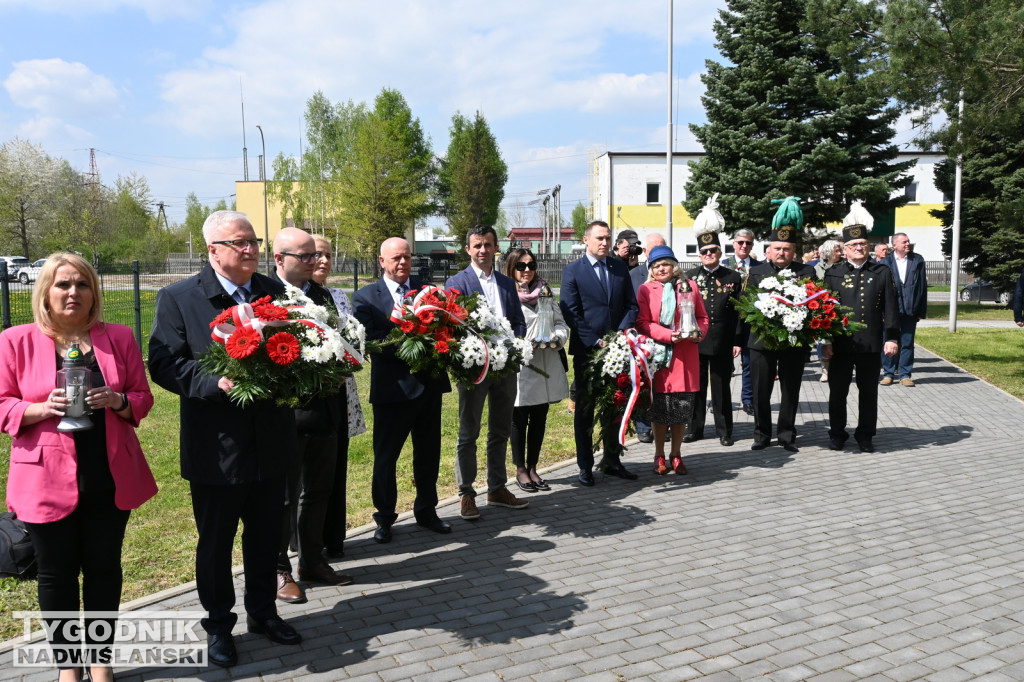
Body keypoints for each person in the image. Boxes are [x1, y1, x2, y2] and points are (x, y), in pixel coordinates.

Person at [149, 210, 301, 668]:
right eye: (240, 243)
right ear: (213, 250)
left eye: (254, 241)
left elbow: (296, 346)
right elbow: (163, 362)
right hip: (218, 446)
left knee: (265, 536)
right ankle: (219, 626)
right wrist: (215, 383)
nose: (251, 249)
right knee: (215, 543)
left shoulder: (274, 292)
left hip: (270, 440)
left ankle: (263, 612)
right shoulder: (179, 299)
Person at [1, 254, 157, 682]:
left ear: (94, 293)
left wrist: (118, 401)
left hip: (107, 474)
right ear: (45, 293)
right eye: (63, 285)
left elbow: (142, 397)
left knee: (105, 570)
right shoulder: (15, 340)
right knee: (56, 575)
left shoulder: (119, 337)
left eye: (82, 285)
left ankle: (100, 661)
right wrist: (36, 408)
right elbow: (1, 404)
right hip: (44, 477)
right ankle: (69, 668)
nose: (73, 293)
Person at [269, 228, 352, 604]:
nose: (312, 262)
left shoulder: (324, 296)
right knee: (284, 496)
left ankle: (312, 559)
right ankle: (278, 570)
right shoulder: (265, 296)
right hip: (285, 412)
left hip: (326, 407)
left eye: (313, 255)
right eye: (303, 256)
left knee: (318, 490)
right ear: (279, 259)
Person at [352, 237, 452, 542]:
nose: (402, 263)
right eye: (395, 258)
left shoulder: (428, 292)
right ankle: (384, 517)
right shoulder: (366, 298)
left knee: (428, 454)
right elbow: (378, 342)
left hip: (428, 388)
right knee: (385, 459)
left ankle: (427, 511)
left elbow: (446, 328)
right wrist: (418, 345)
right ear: (381, 261)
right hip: (392, 391)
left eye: (406, 257)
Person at [445, 225, 531, 519]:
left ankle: (496, 488)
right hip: (474, 370)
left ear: (497, 248)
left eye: (488, 245)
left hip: (506, 368)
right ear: (468, 249)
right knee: (468, 432)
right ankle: (466, 494)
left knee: (500, 430)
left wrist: (514, 346)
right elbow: (453, 327)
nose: (483, 250)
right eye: (477, 245)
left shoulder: (507, 284)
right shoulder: (457, 282)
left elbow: (518, 321)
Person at [561, 220, 639, 486]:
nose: (604, 243)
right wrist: (595, 341)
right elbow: (571, 312)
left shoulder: (619, 267)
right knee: (585, 411)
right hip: (588, 352)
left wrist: (621, 334)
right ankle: (585, 466)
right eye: (599, 238)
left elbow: (631, 304)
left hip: (617, 349)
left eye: (607, 238)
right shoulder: (573, 271)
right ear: (586, 240)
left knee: (615, 406)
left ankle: (613, 461)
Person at [821, 208, 900, 453]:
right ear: (844, 249)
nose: (859, 248)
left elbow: (891, 307)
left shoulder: (881, 272)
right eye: (853, 244)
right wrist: (825, 341)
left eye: (863, 243)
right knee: (837, 393)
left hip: (870, 344)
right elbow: (824, 311)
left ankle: (865, 435)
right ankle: (837, 433)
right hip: (841, 344)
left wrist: (893, 338)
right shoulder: (833, 273)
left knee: (868, 393)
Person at [740, 199, 816, 453]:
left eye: (787, 248)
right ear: (769, 250)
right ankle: (761, 434)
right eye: (777, 248)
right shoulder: (758, 272)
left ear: (794, 251)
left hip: (794, 341)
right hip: (761, 341)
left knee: (790, 389)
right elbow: (746, 307)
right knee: (761, 390)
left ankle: (786, 434)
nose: (782, 253)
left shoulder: (807, 272)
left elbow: (813, 304)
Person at [310, 236, 366, 560]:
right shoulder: (295, 297)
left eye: (328, 255)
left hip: (340, 393)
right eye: (317, 254)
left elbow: (353, 341)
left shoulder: (339, 296)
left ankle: (334, 538)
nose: (324, 261)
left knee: (336, 468)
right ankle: (306, 542)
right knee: (309, 478)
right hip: (308, 399)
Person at [635, 245, 709, 474]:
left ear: (674, 266)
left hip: (685, 357)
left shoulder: (690, 287)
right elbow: (643, 323)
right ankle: (659, 455)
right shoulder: (646, 290)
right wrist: (668, 335)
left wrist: (698, 334)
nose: (660, 269)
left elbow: (702, 317)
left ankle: (676, 454)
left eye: (664, 264)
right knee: (659, 410)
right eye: (655, 266)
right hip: (659, 358)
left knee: (680, 410)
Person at [504, 247, 569, 492]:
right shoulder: (506, 293)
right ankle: (520, 469)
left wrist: (557, 338)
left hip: (547, 362)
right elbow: (499, 329)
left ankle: (533, 467)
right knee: (519, 419)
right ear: (512, 268)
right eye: (521, 266)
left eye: (531, 265)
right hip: (523, 367)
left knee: (540, 419)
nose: (527, 270)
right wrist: (523, 345)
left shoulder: (545, 291)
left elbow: (561, 322)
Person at [686, 227, 743, 447]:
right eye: (704, 251)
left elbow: (739, 312)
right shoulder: (691, 277)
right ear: (699, 255)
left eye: (713, 250)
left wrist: (737, 340)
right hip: (695, 342)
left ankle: (725, 431)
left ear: (720, 252)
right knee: (696, 387)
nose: (708, 254)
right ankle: (695, 429)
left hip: (722, 341)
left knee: (721, 388)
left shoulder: (733, 277)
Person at [628, 232, 666, 443]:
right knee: (642, 383)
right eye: (652, 250)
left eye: (661, 249)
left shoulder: (674, 277)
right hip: (640, 340)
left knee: (662, 385)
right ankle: (643, 426)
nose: (657, 256)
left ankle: (663, 424)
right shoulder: (634, 275)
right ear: (645, 252)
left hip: (665, 339)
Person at [879, 233, 928, 387]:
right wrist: (881, 312)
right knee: (888, 342)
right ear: (895, 245)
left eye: (908, 241)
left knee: (907, 343)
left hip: (910, 310)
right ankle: (888, 373)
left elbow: (922, 287)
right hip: (890, 311)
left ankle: (905, 374)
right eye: (904, 242)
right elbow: (880, 290)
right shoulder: (885, 263)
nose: (908, 244)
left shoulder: (917, 260)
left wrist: (921, 310)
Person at [721, 228, 759, 415]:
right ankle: (720, 400)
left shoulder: (759, 267)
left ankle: (748, 399)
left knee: (749, 363)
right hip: (727, 322)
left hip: (749, 322)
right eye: (741, 242)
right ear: (734, 244)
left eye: (748, 243)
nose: (744, 246)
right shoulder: (724, 265)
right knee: (723, 365)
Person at [813, 238, 844, 383]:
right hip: (822, 309)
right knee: (823, 340)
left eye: (840, 250)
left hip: (840, 309)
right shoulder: (816, 269)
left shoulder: (844, 267)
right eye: (837, 251)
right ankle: (824, 370)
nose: (840, 253)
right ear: (828, 252)